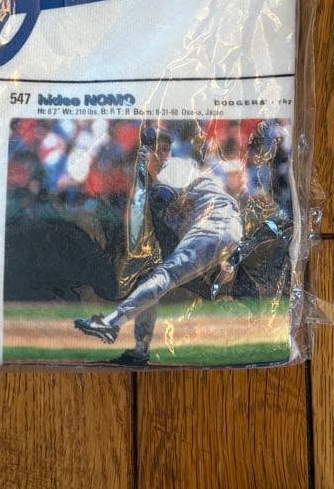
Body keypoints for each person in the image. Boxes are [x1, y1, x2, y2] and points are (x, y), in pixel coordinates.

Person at [74, 123, 242, 365]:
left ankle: (112, 323)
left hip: (215, 223)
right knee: (153, 277)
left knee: (163, 275)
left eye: (166, 148)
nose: (163, 153)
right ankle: (139, 350)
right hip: (216, 232)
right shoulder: (160, 176)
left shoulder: (174, 167)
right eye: (158, 149)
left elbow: (161, 198)